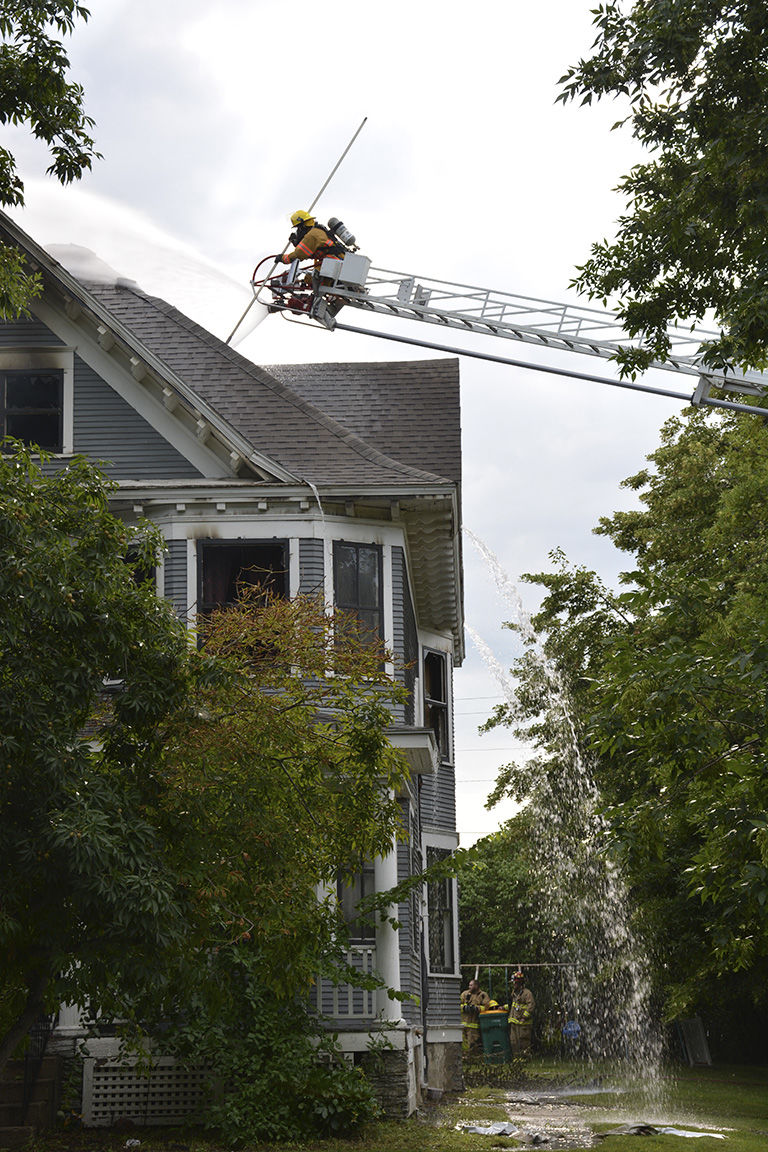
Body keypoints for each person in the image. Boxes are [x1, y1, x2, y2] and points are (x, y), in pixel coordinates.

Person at [276, 210, 343, 267]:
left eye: (298, 228)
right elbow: (309, 251)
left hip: (334, 262)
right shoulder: (317, 231)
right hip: (336, 261)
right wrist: (297, 243)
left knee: (314, 278)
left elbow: (299, 253)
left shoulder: (312, 235)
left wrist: (282, 258)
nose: (298, 231)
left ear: (303, 226)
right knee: (308, 278)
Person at [460, 978, 491, 1056]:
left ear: (476, 986)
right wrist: (464, 1007)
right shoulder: (464, 994)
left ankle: (472, 1059)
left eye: (471, 985)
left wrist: (476, 1008)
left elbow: (487, 1007)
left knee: (473, 1043)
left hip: (474, 1025)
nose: (469, 987)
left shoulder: (483, 995)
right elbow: (456, 1005)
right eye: (469, 985)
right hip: (463, 1024)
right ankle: (464, 1058)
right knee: (463, 1043)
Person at [508, 970, 535, 1056]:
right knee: (514, 1042)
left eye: (515, 983)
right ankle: (517, 1059)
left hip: (524, 1023)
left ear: (519, 983)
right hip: (514, 1022)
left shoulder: (527, 993)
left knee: (523, 1042)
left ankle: (525, 1059)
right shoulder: (514, 993)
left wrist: (524, 1017)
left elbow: (531, 1005)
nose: (513, 985)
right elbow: (513, 1005)